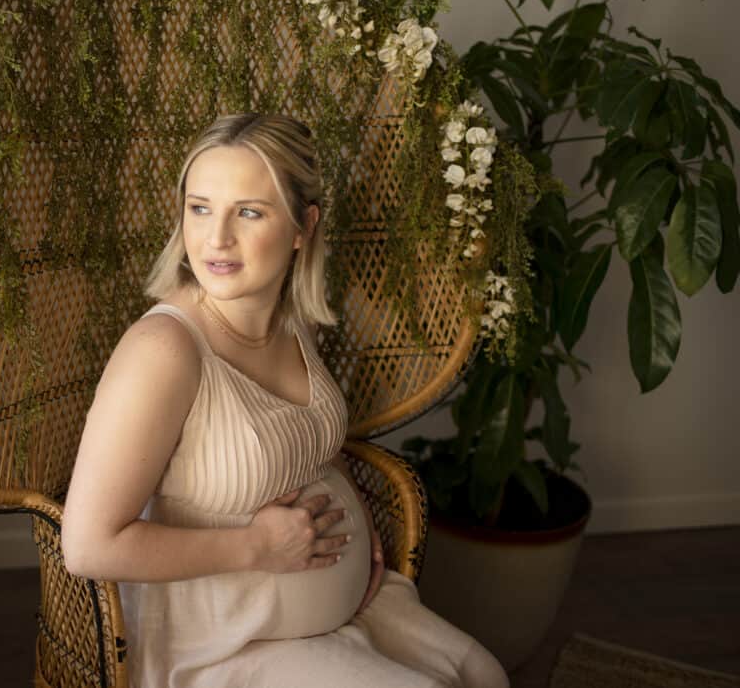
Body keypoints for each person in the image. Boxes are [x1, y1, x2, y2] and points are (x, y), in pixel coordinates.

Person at [61, 112, 509, 688]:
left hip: (345, 607)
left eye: (248, 212)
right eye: (199, 208)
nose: (216, 238)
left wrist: (358, 518)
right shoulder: (163, 351)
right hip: (224, 645)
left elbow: (306, 441)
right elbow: (88, 546)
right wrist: (256, 547)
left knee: (485, 675)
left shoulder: (294, 320)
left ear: (303, 226)